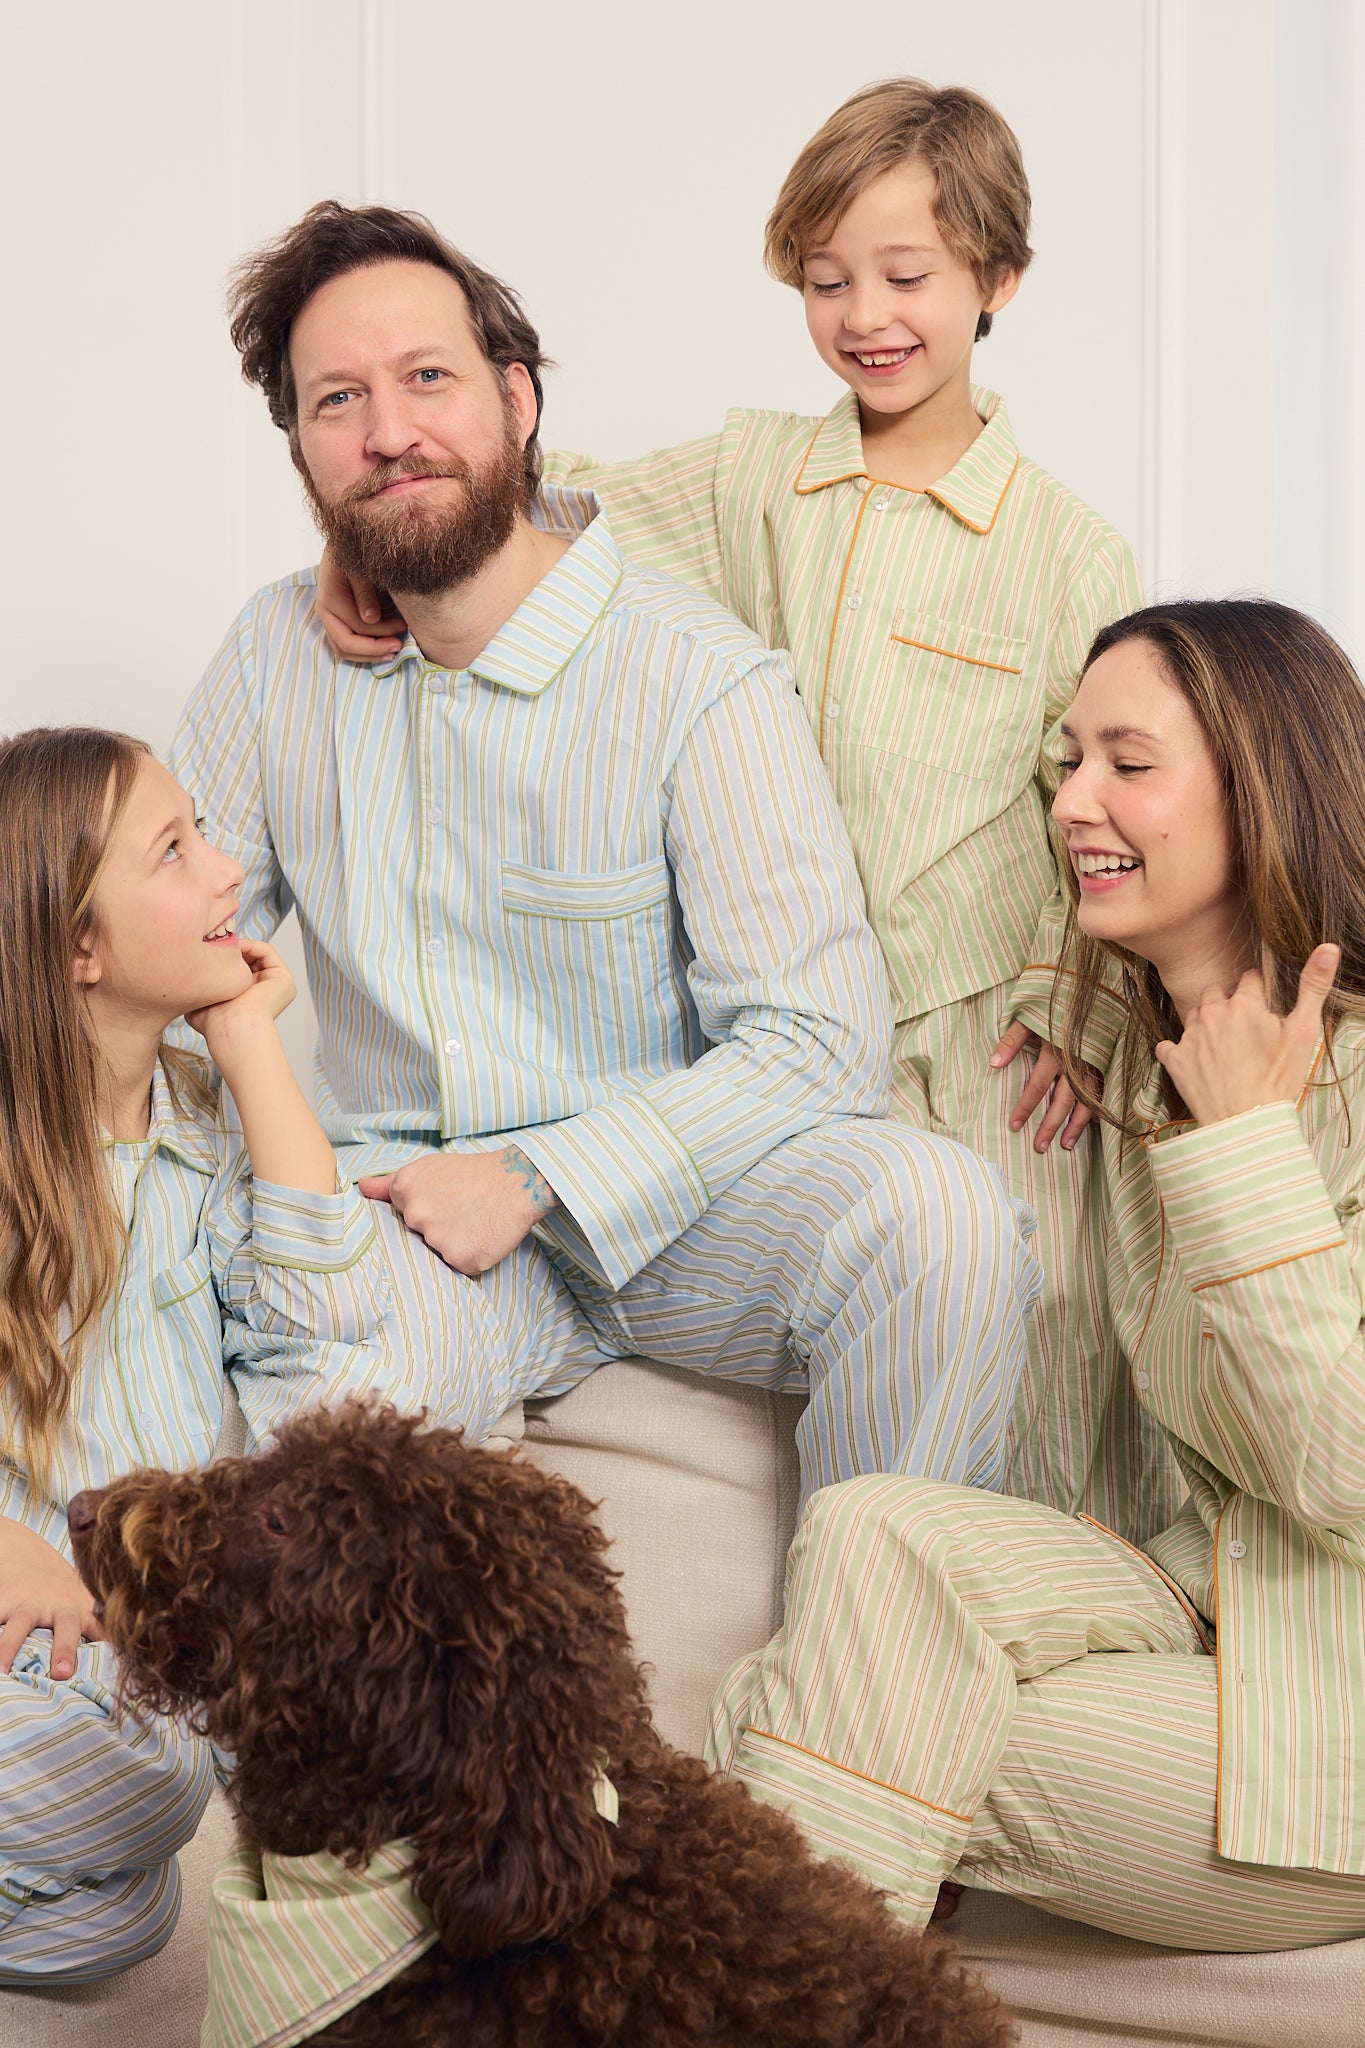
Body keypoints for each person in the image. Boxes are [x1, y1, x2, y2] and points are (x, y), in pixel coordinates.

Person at [315, 80, 1172, 1544]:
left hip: (973, 1037)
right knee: (835, 1296)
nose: (866, 316)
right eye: (828, 281)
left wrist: (1070, 994)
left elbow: (1086, 799)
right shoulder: (753, 474)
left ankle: (975, 1633)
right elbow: (533, 499)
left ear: (998, 281)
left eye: (906, 278)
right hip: (775, 1023)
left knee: (1025, 1353)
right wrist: (369, 548)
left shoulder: (1067, 547)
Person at [170, 201, 1041, 1506]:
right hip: (395, 1200)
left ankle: (877, 1627)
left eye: (427, 377)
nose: (389, 431)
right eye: (337, 400)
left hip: (680, 1202)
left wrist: (538, 1176)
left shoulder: (696, 675)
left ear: (518, 400)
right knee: (326, 1416)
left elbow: (818, 1037)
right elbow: (164, 946)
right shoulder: (275, 650)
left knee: (943, 1218)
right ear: (301, 450)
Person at [705, 598, 1365, 1950]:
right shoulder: (1138, 1058)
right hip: (1199, 1597)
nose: (1071, 802)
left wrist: (1249, 1148)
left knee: (844, 1712)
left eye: (1129, 763)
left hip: (1330, 1704)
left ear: (1261, 788)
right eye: (1069, 761)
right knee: (871, 1533)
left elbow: (1345, 1468)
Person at [0, 726, 401, 1980]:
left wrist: (246, 1040)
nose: (230, 870)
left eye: (206, 834)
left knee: (122, 1918)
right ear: (79, 945)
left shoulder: (205, 1127)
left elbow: (325, 1331)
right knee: (162, 1778)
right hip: (33, 1632)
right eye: (174, 850)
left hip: (111, 1661)